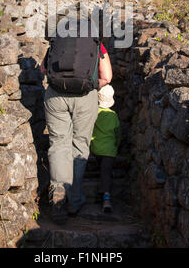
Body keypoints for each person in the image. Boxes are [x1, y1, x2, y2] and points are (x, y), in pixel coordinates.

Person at [40, 17, 113, 224]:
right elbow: (107, 76)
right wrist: (91, 85)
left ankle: (59, 187)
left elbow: (44, 71)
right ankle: (74, 200)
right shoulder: (96, 44)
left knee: (59, 143)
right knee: (80, 145)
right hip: (85, 98)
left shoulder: (57, 41)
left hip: (55, 96)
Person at [90, 84, 121, 213]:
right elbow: (118, 134)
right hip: (110, 151)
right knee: (106, 171)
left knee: (102, 168)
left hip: (96, 149)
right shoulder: (113, 116)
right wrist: (117, 145)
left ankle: (99, 191)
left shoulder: (94, 113)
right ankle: (106, 196)